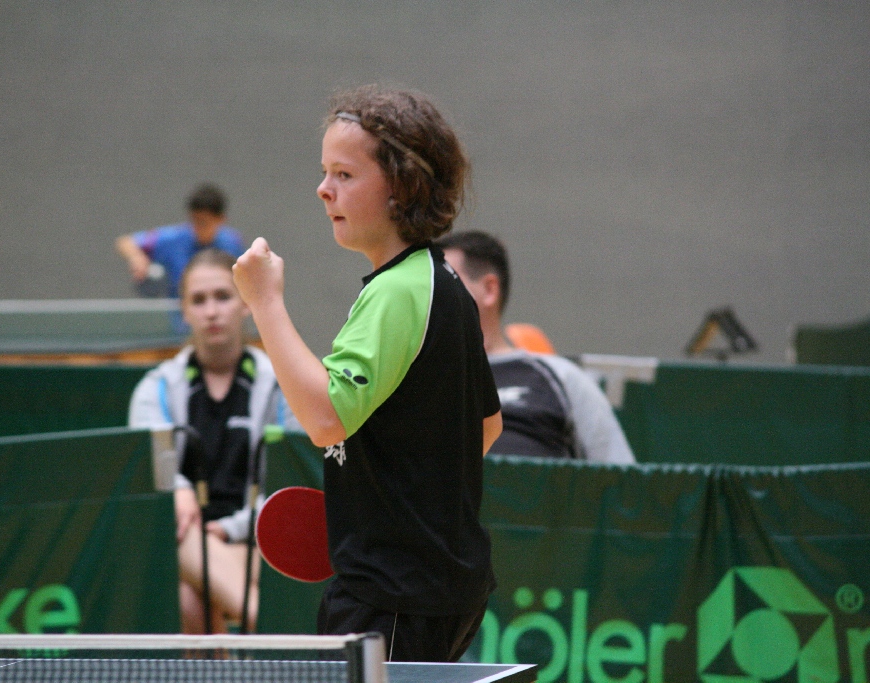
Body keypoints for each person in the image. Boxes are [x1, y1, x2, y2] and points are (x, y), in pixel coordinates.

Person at [232, 84, 502, 663]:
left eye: (345, 174)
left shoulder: (396, 292)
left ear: (402, 186)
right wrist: (396, 493)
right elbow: (487, 425)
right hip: (442, 589)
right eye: (324, 172)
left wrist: (264, 303)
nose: (323, 188)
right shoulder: (444, 282)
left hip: (391, 594)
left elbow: (326, 419)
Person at [128, 248, 280, 634]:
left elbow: (288, 489)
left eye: (223, 296)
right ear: (184, 311)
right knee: (182, 579)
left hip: (259, 543)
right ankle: (272, 628)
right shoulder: (155, 390)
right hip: (184, 541)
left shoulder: (280, 386)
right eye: (198, 300)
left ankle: (265, 626)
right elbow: (149, 478)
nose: (211, 311)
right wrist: (178, 491)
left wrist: (233, 529)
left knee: (189, 593)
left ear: (245, 304)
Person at [436, 230, 635, 464]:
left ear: (489, 290)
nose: (430, 295)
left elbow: (619, 474)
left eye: (445, 282)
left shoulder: (559, 375)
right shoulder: (420, 377)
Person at [115, 183, 246, 299]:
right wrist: (137, 257)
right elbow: (126, 242)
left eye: (204, 222)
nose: (197, 228)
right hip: (180, 316)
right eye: (194, 221)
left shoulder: (232, 242)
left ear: (221, 219)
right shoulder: (172, 239)